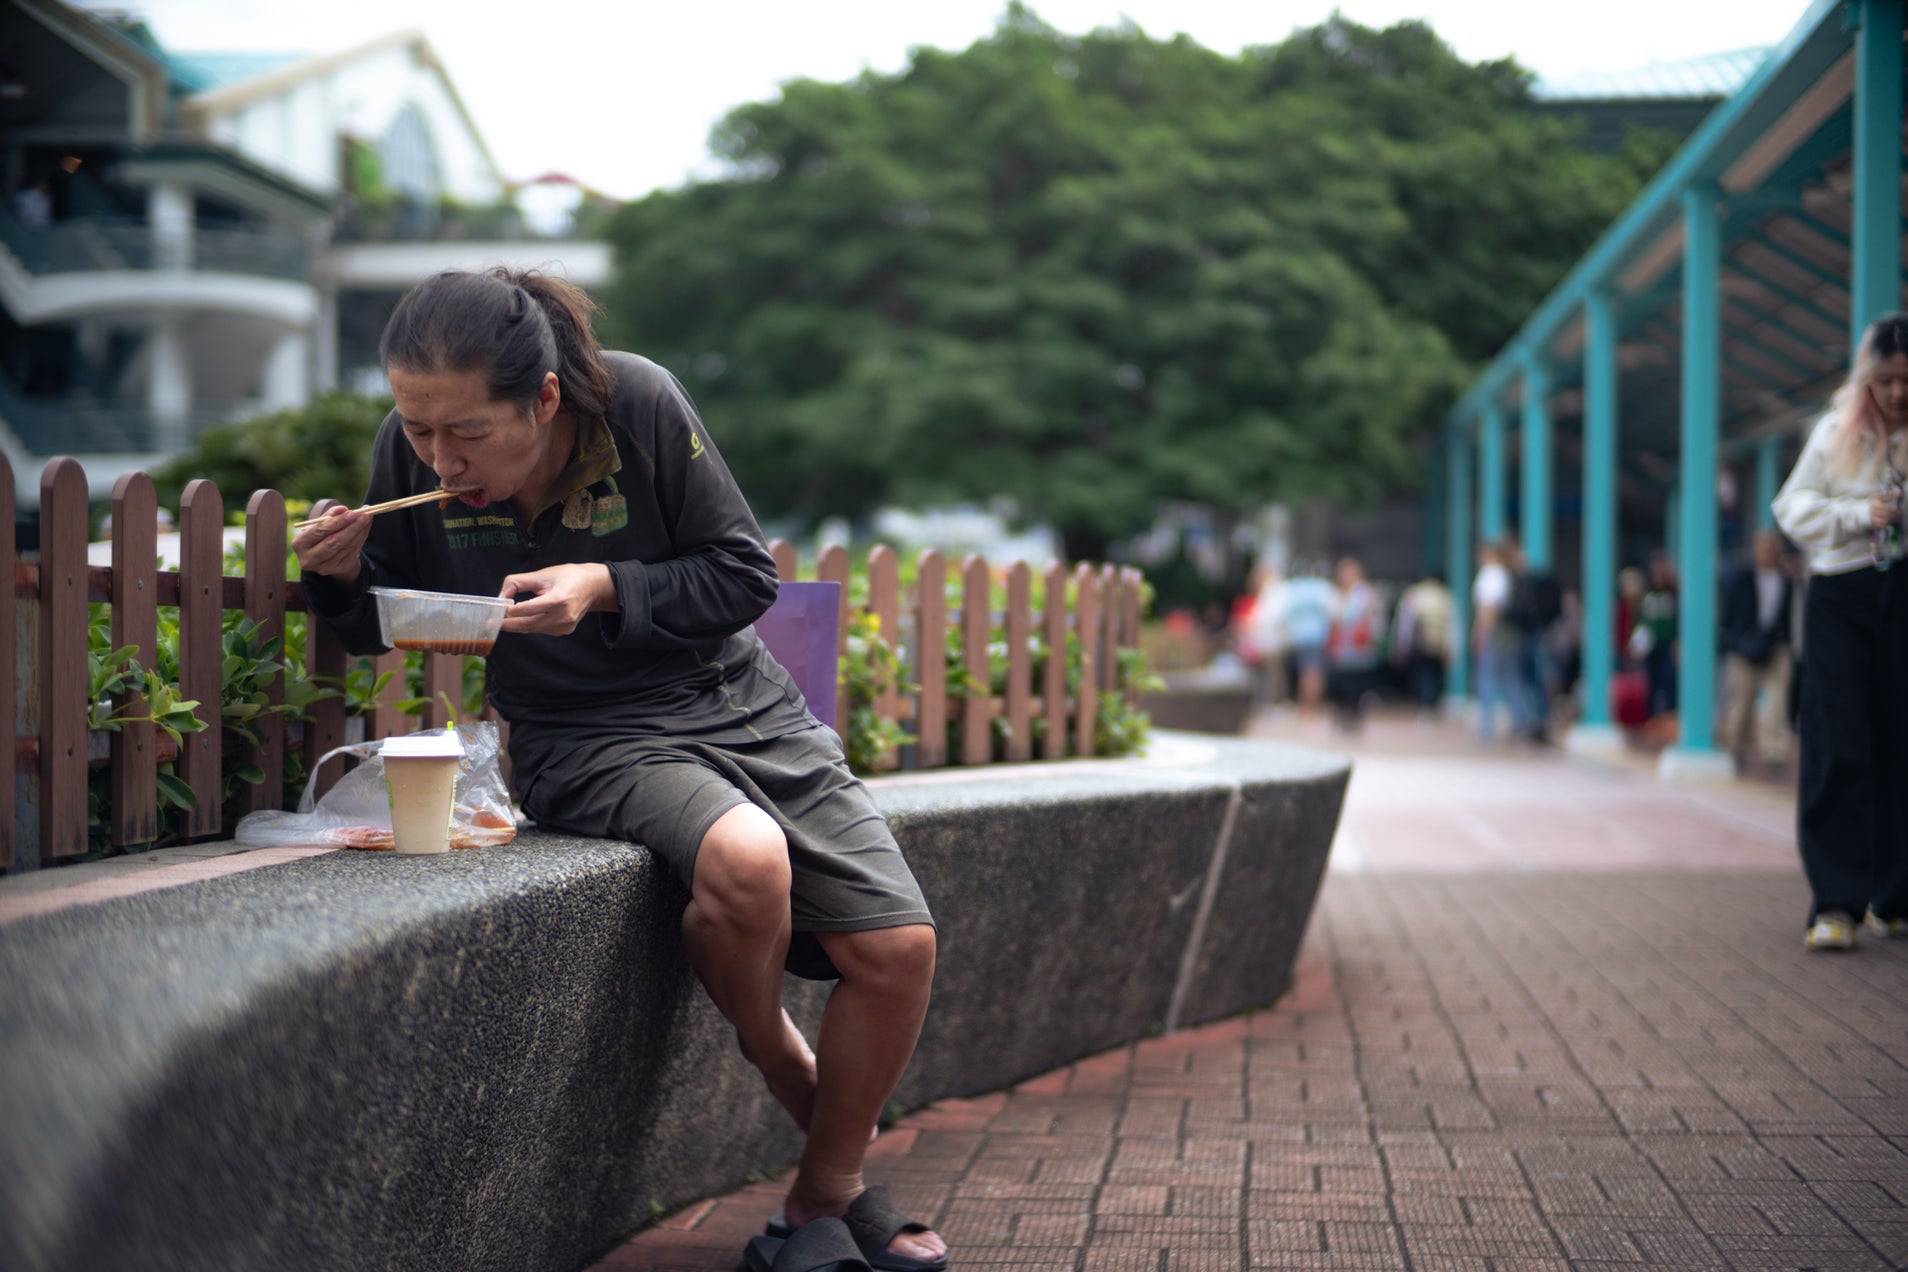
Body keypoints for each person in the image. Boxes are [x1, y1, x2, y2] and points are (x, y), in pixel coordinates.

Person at [292, 269, 948, 1269]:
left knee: (899, 949)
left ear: (544, 398)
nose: (440, 459)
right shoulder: (410, 452)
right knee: (749, 858)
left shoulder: (636, 404)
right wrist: (339, 577)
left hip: (740, 702)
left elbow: (743, 574)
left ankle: (824, 1189)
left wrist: (603, 585)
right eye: (418, 429)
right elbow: (385, 620)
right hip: (579, 735)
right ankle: (778, 1054)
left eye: (465, 432)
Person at [1772, 310, 1908, 952]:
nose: (1898, 393)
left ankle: (1895, 897)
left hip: (1903, 592)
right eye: (1886, 380)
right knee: (1837, 741)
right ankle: (1835, 903)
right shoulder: (1834, 432)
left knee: (1901, 742)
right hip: (1841, 595)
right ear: (1865, 379)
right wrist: (1858, 513)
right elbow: (1791, 508)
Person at [1719, 528, 1794, 775]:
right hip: (1744, 648)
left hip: (1775, 647)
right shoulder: (1742, 578)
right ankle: (1736, 748)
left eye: (1772, 548)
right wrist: (1733, 641)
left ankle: (1774, 752)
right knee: (1741, 703)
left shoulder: (1786, 580)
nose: (1768, 553)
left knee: (1777, 702)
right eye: (1763, 547)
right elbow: (1728, 612)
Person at [1323, 555, 1383, 731]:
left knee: (1356, 685)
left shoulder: (1364, 593)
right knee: (1339, 684)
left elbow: (1373, 618)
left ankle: (1354, 716)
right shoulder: (1336, 593)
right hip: (1340, 650)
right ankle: (1341, 714)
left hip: (1359, 649)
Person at [1390, 569, 1453, 713]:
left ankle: (1424, 705)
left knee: (1422, 675)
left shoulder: (1415, 595)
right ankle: (1432, 704)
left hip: (1420, 643)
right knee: (1435, 674)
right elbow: (1452, 624)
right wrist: (1450, 646)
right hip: (1438, 644)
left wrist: (1401, 645)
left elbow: (1405, 624)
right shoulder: (1444, 595)